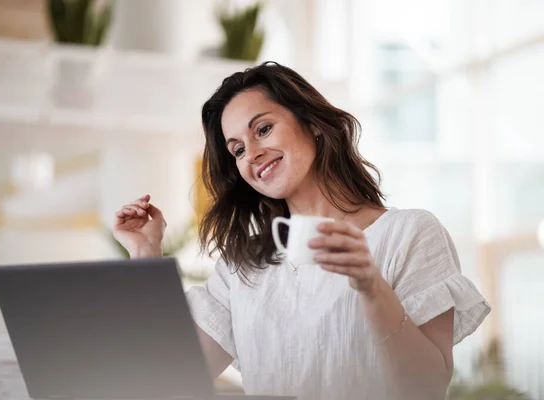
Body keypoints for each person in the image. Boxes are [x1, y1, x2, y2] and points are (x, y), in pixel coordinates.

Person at [112, 62, 491, 400]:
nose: (252, 153)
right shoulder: (242, 267)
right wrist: (146, 256)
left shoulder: (408, 233)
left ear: (312, 124)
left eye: (263, 129)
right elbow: (166, 381)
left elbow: (426, 389)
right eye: (237, 150)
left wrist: (370, 286)